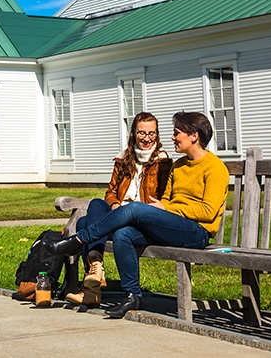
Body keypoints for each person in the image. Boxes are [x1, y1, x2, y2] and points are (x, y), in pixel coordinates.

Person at [46, 111, 228, 318]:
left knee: (135, 209)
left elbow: (208, 211)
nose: (172, 137)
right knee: (124, 234)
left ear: (193, 135)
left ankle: (79, 239)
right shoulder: (179, 166)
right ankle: (132, 295)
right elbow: (167, 199)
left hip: (196, 232)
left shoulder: (215, 168)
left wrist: (165, 209)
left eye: (177, 133)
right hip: (172, 225)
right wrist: (164, 207)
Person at [65, 112, 172, 307]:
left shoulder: (164, 162)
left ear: (157, 134)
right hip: (119, 217)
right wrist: (114, 205)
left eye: (152, 133)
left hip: (142, 221)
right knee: (97, 205)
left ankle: (92, 287)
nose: (147, 138)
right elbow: (111, 193)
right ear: (133, 133)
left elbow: (165, 198)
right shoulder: (123, 160)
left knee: (83, 223)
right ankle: (96, 268)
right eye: (141, 133)